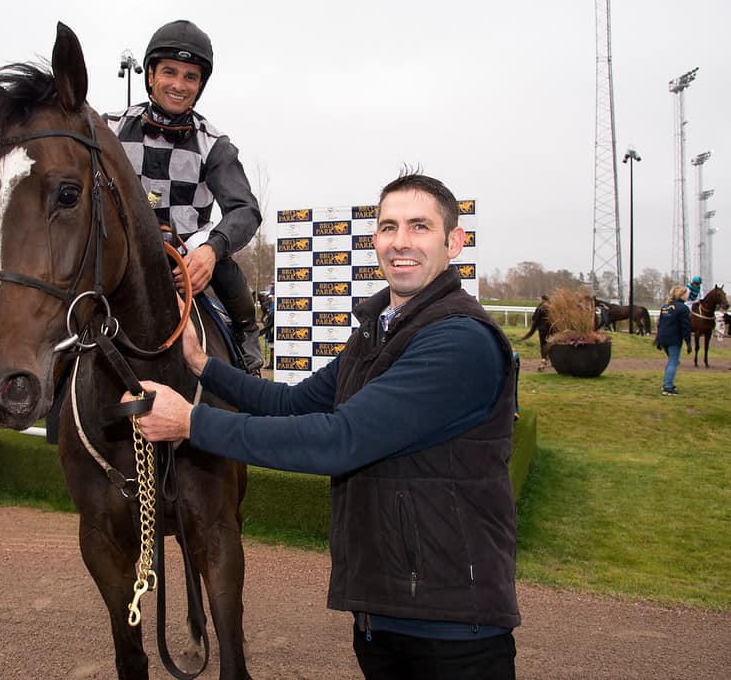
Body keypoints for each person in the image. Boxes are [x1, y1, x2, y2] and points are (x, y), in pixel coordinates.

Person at [124, 171, 520, 678]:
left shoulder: (460, 341)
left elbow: (340, 440)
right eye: (389, 227)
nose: (401, 242)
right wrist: (203, 365)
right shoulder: (375, 333)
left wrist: (191, 423)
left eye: (420, 227)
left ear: (454, 243)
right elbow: (293, 405)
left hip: (454, 628)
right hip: (384, 614)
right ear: (375, 238)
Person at [103, 19, 264, 372]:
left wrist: (210, 251)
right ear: (149, 76)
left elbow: (245, 210)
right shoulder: (110, 128)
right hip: (125, 255)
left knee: (223, 264)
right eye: (170, 72)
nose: (179, 85)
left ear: (200, 85)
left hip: (187, 256)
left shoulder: (215, 144)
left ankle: (245, 332)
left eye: (190, 77)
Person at [655, 285, 692, 396]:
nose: (687, 296)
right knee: (673, 361)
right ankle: (668, 387)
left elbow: (660, 324)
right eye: (686, 294)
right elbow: (686, 327)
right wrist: (688, 342)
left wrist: (658, 339)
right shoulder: (683, 308)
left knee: (672, 361)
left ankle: (667, 383)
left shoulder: (665, 307)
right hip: (674, 338)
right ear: (681, 295)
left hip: (663, 338)